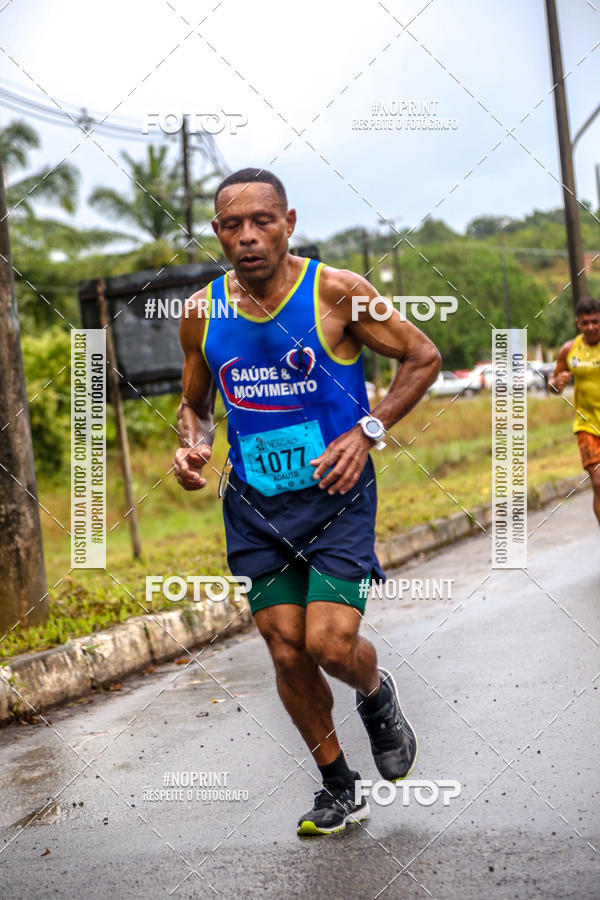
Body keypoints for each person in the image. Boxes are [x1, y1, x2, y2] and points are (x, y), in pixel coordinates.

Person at [174, 168, 441, 835]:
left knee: (327, 643)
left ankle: (375, 696)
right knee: (285, 648)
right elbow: (195, 405)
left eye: (262, 221)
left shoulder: (338, 293)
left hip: (337, 493)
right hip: (257, 503)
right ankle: (337, 785)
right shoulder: (201, 313)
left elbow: (424, 356)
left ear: (288, 221)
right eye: (233, 225)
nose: (249, 237)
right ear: (218, 233)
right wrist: (192, 446)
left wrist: (366, 430)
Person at [549, 296, 600, 526]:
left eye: (595, 322)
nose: (591, 327)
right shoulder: (569, 350)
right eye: (585, 323)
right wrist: (556, 384)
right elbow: (553, 384)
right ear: (577, 323)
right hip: (586, 425)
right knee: (598, 483)